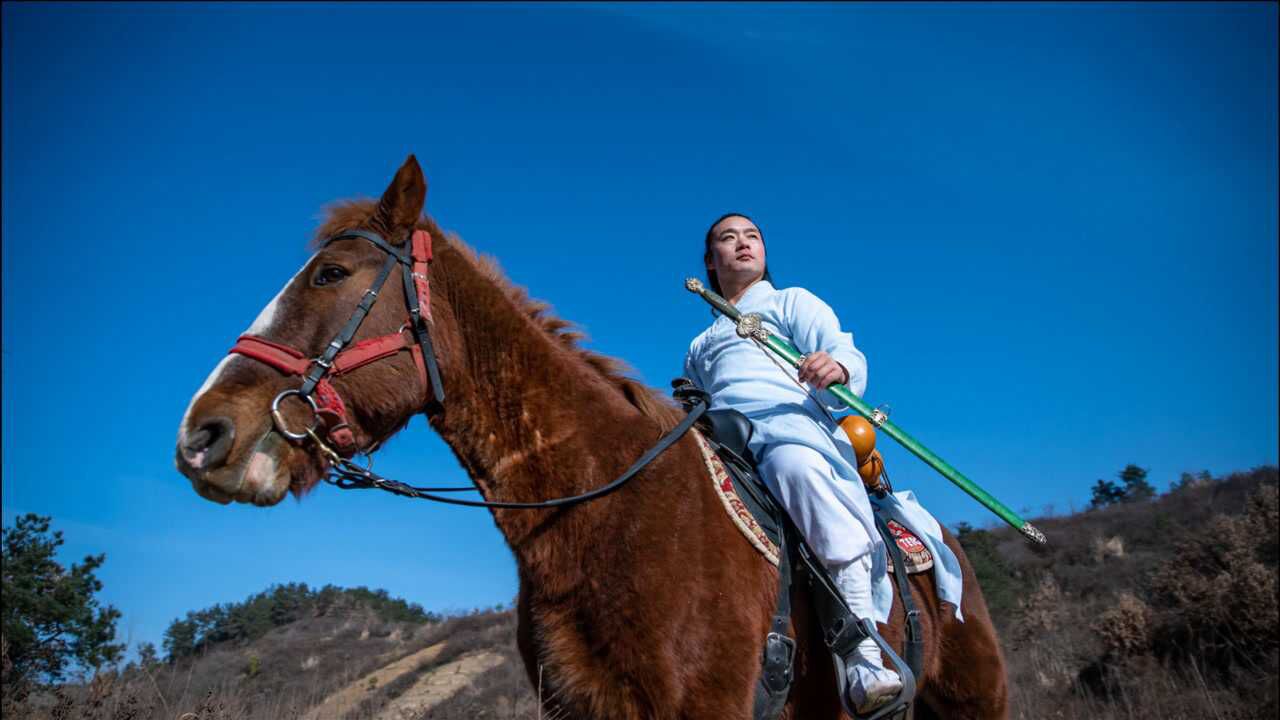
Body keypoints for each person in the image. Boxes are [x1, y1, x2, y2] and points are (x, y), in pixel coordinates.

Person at [683, 213, 960, 713]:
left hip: (789, 431)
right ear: (710, 261)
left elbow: (842, 350)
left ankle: (862, 651)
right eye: (728, 238)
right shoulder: (699, 346)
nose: (743, 244)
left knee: (795, 468)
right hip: (726, 446)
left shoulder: (791, 302)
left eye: (753, 237)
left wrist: (836, 367)